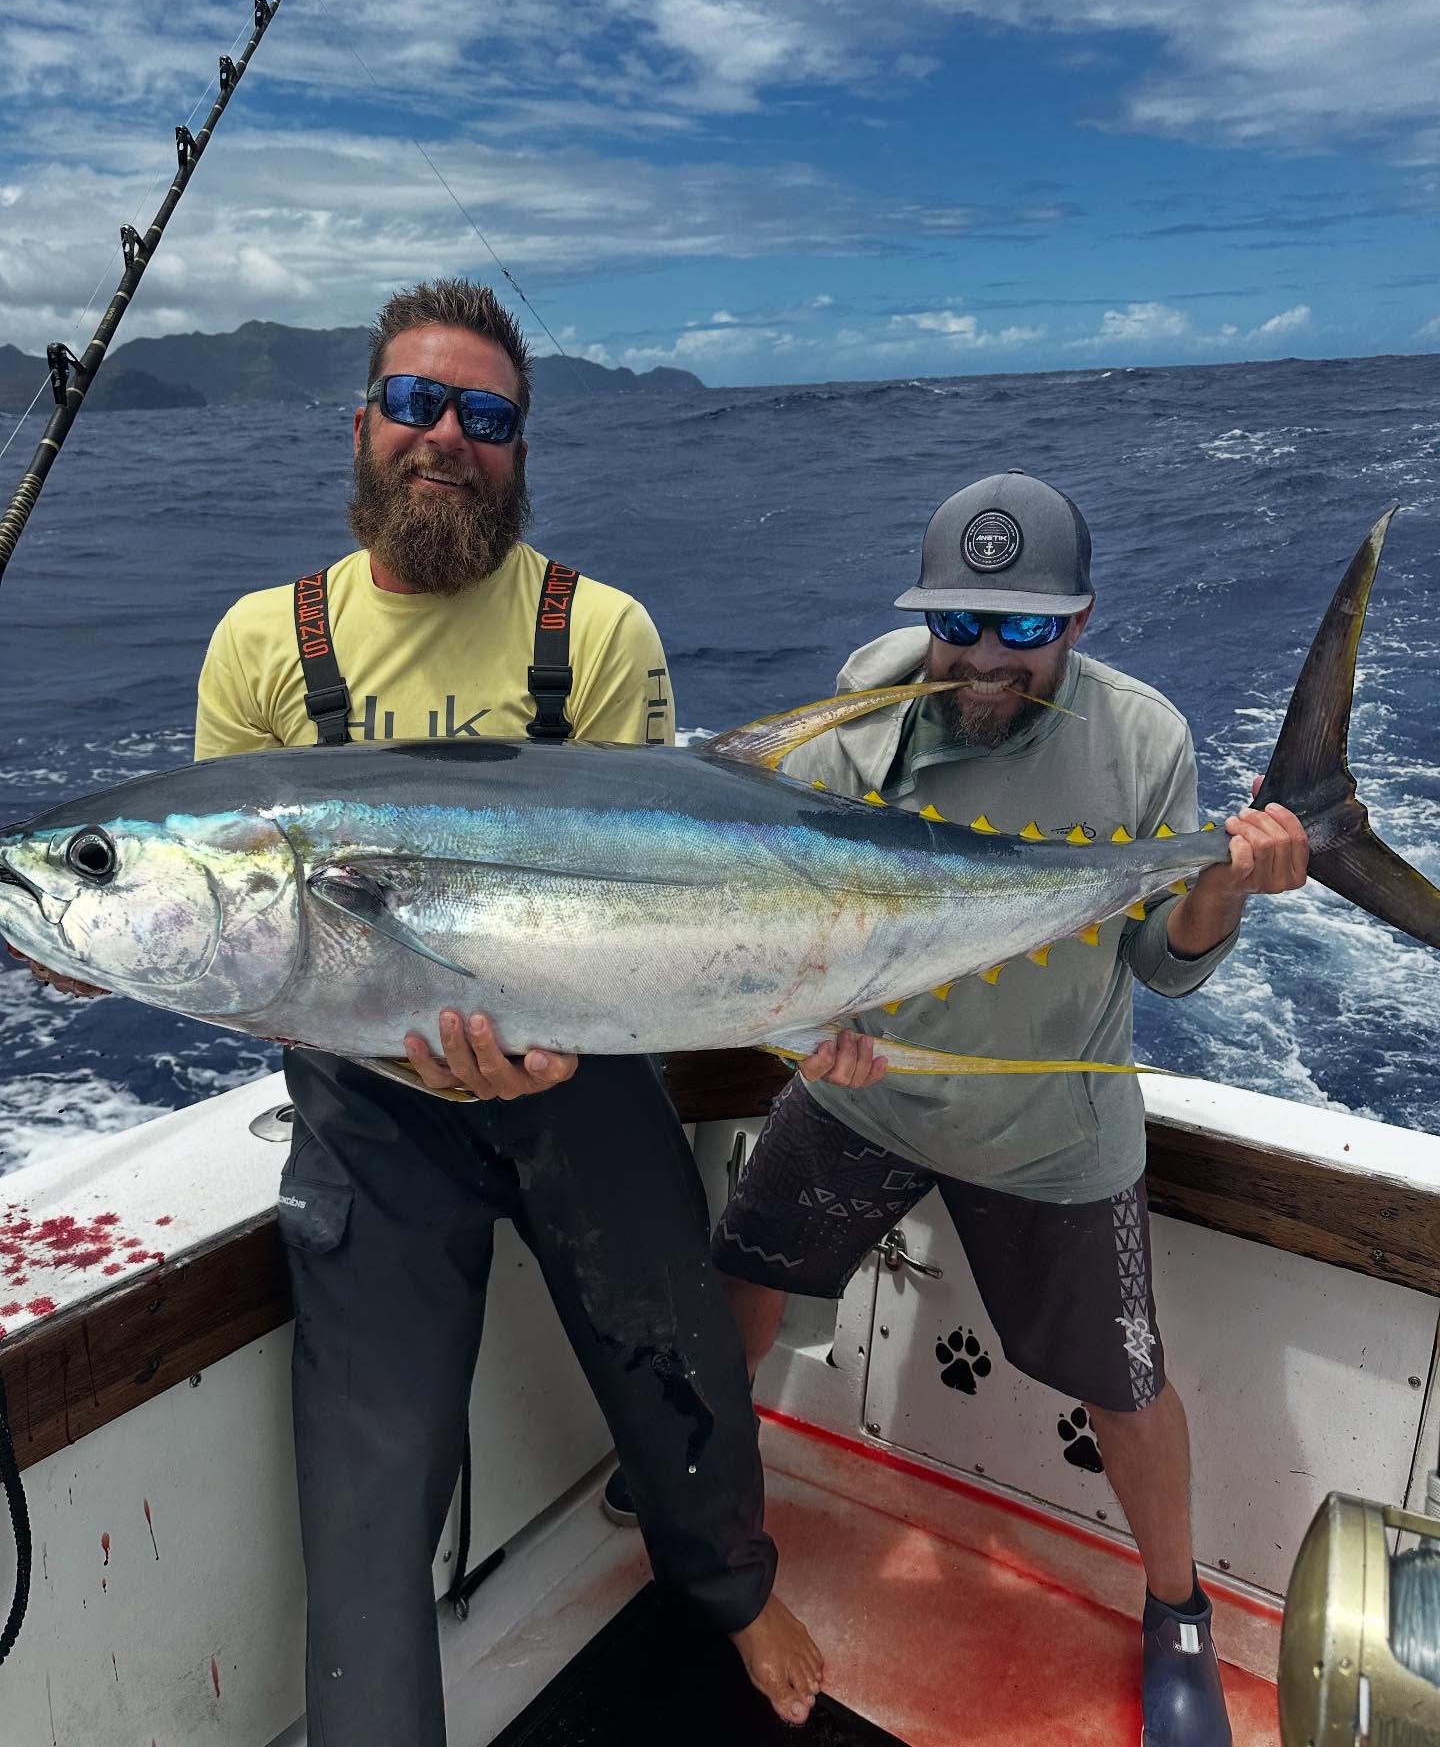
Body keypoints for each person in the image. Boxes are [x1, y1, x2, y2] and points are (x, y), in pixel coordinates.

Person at [13, 279, 823, 1743]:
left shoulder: (604, 628)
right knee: (368, 1489)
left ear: (521, 448)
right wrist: (102, 936)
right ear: (363, 427)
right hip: (369, 1116)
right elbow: (244, 950)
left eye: (486, 416)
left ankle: (733, 1588)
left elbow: (662, 909)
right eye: (413, 404)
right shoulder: (266, 642)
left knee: (678, 1364)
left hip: (584, 1083)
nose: (445, 437)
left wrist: (779, 1002)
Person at [709, 470, 1309, 1747]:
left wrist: (1230, 885)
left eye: (1023, 631)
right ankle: (704, 1499)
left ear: (1079, 623)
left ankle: (1177, 1611)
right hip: (866, 1099)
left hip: (1050, 1125)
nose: (983, 659)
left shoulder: (1142, 743)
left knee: (1127, 1387)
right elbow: (796, 919)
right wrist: (820, 1035)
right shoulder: (856, 712)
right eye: (959, 624)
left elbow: (1164, 964)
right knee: (737, 1280)